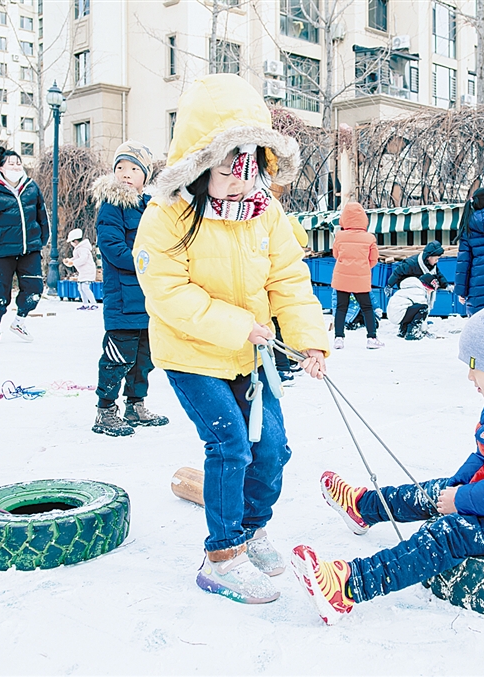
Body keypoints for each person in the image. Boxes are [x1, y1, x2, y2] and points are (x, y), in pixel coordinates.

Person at [133, 74, 330, 604]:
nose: (242, 183)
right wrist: (237, 323)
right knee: (230, 446)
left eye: (251, 170)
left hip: (250, 355)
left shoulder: (266, 215)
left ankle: (251, 527)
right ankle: (221, 555)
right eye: (228, 171)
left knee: (274, 450)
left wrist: (311, 340)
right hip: (191, 353)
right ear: (201, 164)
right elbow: (167, 293)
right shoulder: (167, 216)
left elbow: (288, 280)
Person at [290, 294, 484, 624]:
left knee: (451, 533)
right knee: (440, 493)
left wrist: (463, 500)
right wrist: (457, 488)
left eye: (475, 366)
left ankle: (348, 587)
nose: (470, 377)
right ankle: (364, 508)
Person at [92, 140, 169, 437]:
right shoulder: (113, 204)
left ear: (145, 176)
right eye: (121, 167)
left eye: (134, 168)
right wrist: (145, 261)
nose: (126, 173)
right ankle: (105, 408)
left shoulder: (150, 208)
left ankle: (135, 404)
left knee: (143, 357)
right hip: (123, 297)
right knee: (118, 355)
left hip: (148, 297)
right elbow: (111, 246)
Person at [0, 147, 49, 344]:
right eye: (11, 163)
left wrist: (42, 239)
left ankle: (19, 322)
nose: (16, 166)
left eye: (18, 163)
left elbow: (42, 215)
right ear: (1, 167)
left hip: (29, 249)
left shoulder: (31, 187)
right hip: (1, 252)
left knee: (34, 289)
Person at [331, 201, 382, 350]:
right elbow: (374, 259)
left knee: (341, 308)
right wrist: (363, 268)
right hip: (361, 278)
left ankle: (338, 338)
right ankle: (372, 338)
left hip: (342, 278)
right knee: (367, 308)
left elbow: (335, 254)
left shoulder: (339, 236)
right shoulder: (369, 238)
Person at [273, 214, 309, 383]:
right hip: (292, 293)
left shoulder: (273, 231)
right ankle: (292, 361)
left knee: (276, 331)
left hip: (274, 296)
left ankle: (283, 369)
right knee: (289, 326)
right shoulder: (292, 223)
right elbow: (304, 240)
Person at [386, 273, 438, 340]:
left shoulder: (411, 287)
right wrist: (424, 330)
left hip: (395, 313)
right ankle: (412, 333)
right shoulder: (419, 291)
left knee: (411, 309)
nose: (430, 293)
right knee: (423, 308)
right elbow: (424, 312)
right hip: (399, 314)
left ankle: (403, 331)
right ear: (426, 286)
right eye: (430, 290)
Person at [63, 228, 98, 310]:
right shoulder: (79, 248)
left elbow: (83, 259)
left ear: (75, 241)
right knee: (81, 288)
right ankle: (85, 304)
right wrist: (70, 261)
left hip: (87, 271)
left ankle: (93, 304)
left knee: (85, 288)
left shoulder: (83, 249)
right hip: (83, 271)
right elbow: (76, 258)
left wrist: (73, 263)